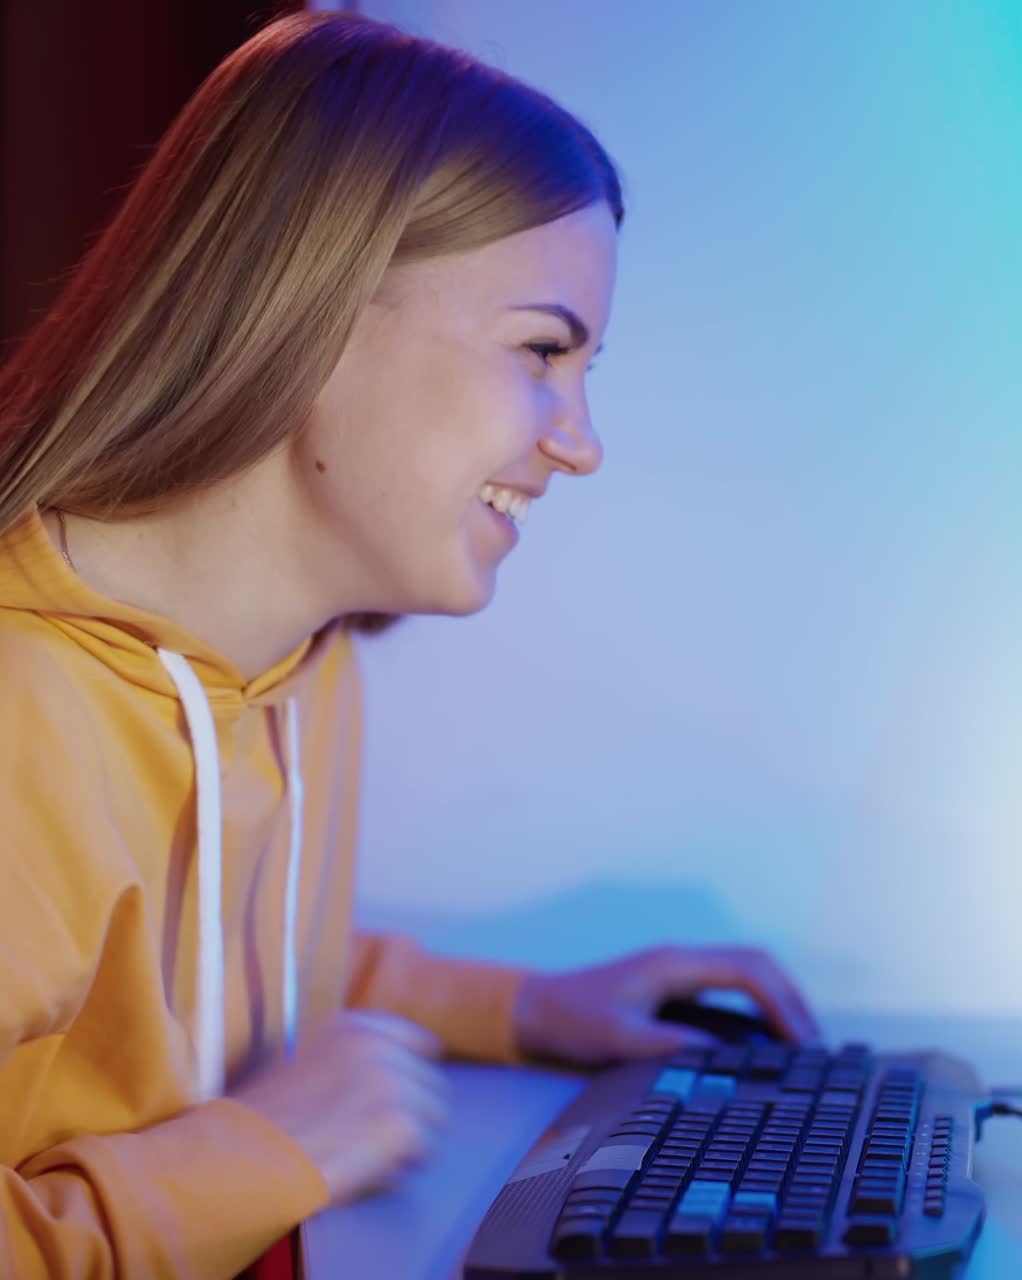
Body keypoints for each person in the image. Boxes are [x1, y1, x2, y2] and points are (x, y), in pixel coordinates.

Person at [0, 11, 820, 1279]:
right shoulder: (18, 715)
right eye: (544, 349)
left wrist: (526, 1008)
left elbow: (217, 980)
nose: (580, 439)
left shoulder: (296, 664)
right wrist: (263, 1152)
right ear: (310, 304)